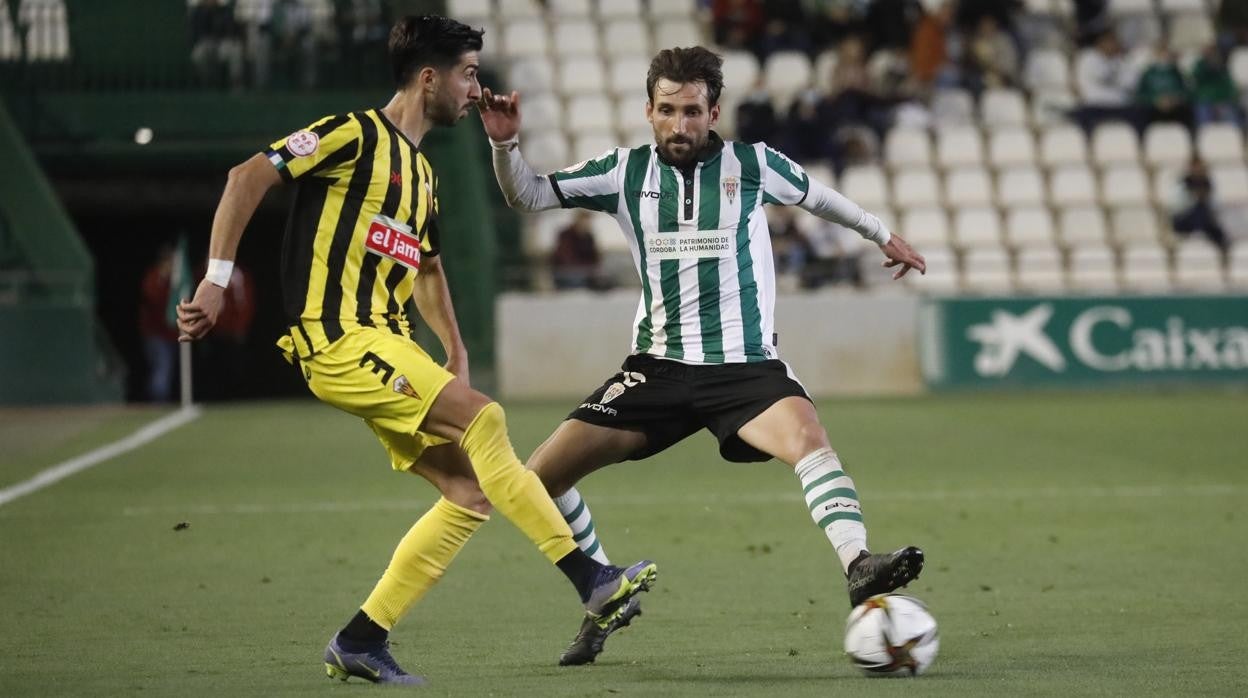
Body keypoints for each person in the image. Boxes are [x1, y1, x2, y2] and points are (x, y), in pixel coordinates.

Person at [175, 15, 656, 685]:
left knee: (468, 490)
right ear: (429, 78)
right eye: (468, 74)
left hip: (389, 344)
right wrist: (216, 279)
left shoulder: (424, 176)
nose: (476, 89)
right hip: (337, 336)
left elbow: (427, 268)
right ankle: (590, 578)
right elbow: (245, 177)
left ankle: (361, 638)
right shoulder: (351, 134)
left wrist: (455, 349)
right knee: (486, 420)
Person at [479, 46, 927, 666]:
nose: (679, 124)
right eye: (667, 110)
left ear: (713, 112)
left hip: (744, 366)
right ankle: (603, 588)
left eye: (692, 111)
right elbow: (527, 195)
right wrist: (505, 145)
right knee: (539, 480)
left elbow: (821, 198)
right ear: (649, 110)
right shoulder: (623, 172)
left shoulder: (753, 164)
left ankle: (857, 563)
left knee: (809, 439)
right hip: (656, 368)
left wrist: (883, 236)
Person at [550, 210, 604, 290]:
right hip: (566, 273)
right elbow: (566, 257)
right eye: (584, 221)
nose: (586, 224)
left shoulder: (589, 237)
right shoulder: (566, 235)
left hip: (585, 272)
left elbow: (595, 257)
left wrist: (594, 268)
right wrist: (587, 268)